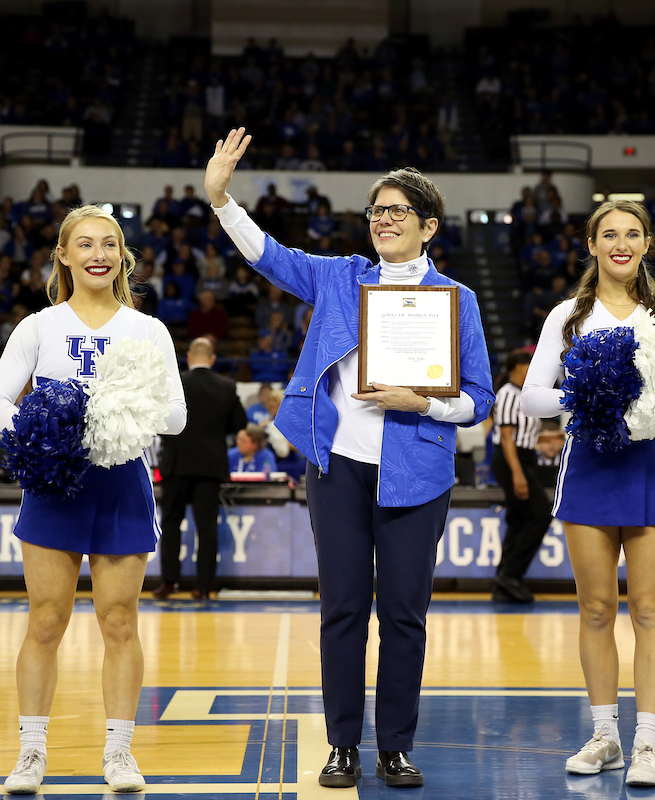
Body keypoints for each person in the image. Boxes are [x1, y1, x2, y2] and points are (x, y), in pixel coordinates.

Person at [205, 128, 493, 788]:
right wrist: (221, 200)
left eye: (397, 212)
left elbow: (477, 398)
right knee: (341, 610)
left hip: (416, 471)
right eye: (377, 211)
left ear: (428, 226)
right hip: (336, 465)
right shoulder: (341, 277)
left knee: (403, 616)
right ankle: (341, 745)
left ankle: (394, 745)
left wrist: (420, 404)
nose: (383, 220)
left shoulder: (458, 301)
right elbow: (270, 257)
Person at [0, 205, 187, 795]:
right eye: (85, 244)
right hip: (53, 484)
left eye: (110, 244)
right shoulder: (38, 326)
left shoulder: (148, 330)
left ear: (122, 257)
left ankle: (119, 752)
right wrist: (42, 426)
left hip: (122, 484)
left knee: (119, 620)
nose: (98, 254)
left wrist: (116, 411)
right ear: (63, 257)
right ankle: (30, 752)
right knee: (46, 621)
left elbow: (175, 416)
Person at [520, 199, 655, 789]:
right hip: (591, 467)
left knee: (650, 609)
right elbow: (530, 398)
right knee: (596, 608)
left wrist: (649, 393)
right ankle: (605, 735)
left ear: (646, 244)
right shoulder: (567, 316)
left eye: (632, 234)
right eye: (609, 234)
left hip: (651, 468)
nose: (620, 243)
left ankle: (648, 742)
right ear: (593, 245)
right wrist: (591, 394)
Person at [155, 337, 246, 601]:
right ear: (213, 359)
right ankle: (204, 586)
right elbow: (238, 423)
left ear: (189, 357)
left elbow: (161, 418)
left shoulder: (175, 383)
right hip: (210, 466)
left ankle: (168, 583)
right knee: (207, 527)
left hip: (176, 464)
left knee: (171, 523)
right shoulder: (227, 386)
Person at [489, 349, 549, 604]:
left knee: (518, 519)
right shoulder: (508, 394)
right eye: (529, 366)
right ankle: (511, 575)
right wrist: (518, 474)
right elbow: (506, 438)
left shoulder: (523, 394)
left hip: (524, 457)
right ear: (519, 367)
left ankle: (503, 580)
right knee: (540, 513)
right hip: (510, 459)